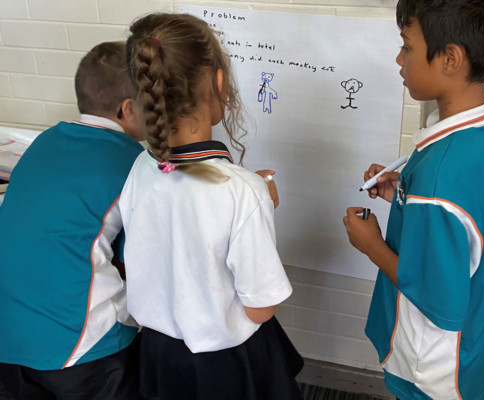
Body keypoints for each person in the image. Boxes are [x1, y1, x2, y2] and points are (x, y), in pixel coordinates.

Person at [343, 1, 484, 399]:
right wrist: (406, 195)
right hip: (472, 339)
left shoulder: (440, 173)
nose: (399, 58)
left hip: (432, 366)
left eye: (407, 46)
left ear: (450, 59)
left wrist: (372, 246)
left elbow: (439, 298)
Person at [119, 13, 303, 400]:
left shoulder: (141, 167)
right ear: (218, 81)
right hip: (225, 365)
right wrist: (257, 206)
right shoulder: (243, 192)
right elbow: (261, 309)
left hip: (156, 355)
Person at [0, 42, 145, 399]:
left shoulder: (45, 140)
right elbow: (138, 263)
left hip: (9, 340)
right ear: (127, 110)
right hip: (81, 351)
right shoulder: (133, 163)